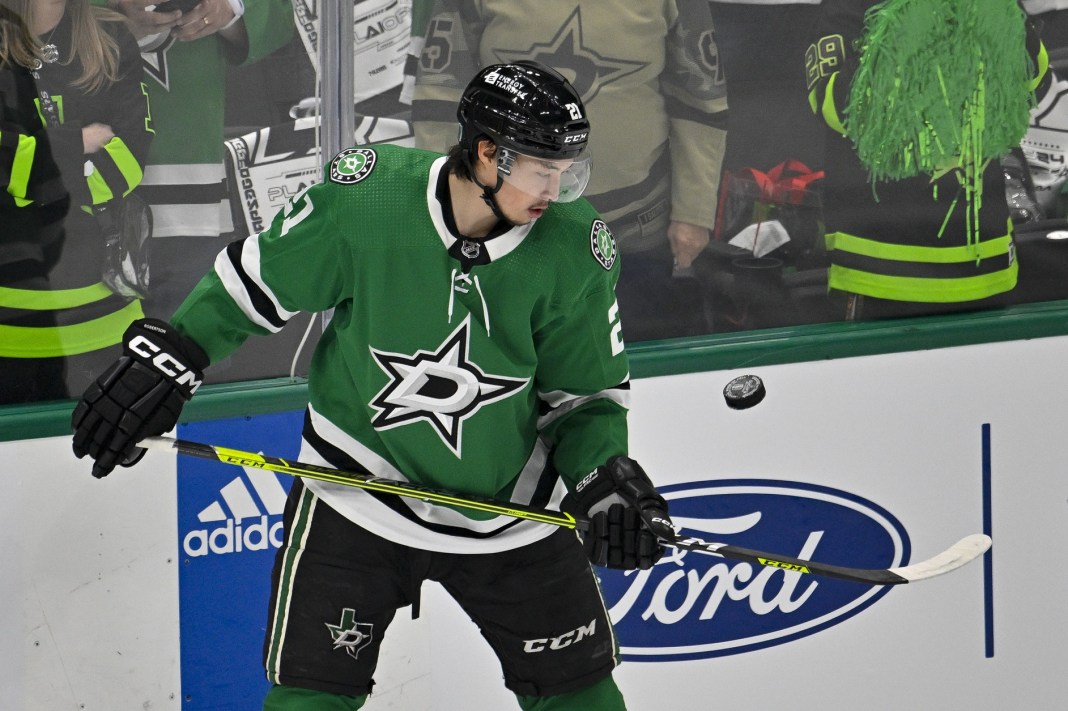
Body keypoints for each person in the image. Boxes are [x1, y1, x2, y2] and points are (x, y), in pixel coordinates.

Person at [71, 61, 675, 711]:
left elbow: (584, 399)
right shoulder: (368, 200)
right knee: (308, 698)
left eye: (568, 172)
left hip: (511, 512)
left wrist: (602, 473)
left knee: (585, 698)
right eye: (541, 169)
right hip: (358, 492)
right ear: (485, 153)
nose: (556, 190)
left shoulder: (574, 250)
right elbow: (253, 285)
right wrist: (175, 353)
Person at [410, 0, 727, 342]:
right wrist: (445, 213)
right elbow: (441, 99)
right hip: (506, 230)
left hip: (633, 232)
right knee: (509, 373)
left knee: (636, 377)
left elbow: (700, 100)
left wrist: (693, 212)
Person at [805, 0, 1051, 320]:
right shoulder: (850, 7)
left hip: (986, 271)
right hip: (881, 278)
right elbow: (841, 109)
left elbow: (1035, 82)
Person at [102, 0, 294, 371]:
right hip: (81, 199)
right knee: (92, 381)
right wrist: (110, 20)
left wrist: (231, 8)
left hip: (193, 198)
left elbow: (279, 17)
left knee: (192, 370)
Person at [0, 0, 150, 404]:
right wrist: (79, 143)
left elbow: (130, 162)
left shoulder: (111, 37)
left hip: (106, 324)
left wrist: (31, 163)